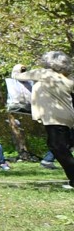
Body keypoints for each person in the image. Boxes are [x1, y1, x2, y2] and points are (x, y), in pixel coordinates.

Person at [21, 51, 74, 189]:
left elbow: (17, 76)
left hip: (54, 117)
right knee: (61, 146)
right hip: (66, 116)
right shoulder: (66, 78)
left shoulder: (44, 74)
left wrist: (19, 67)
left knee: (58, 147)